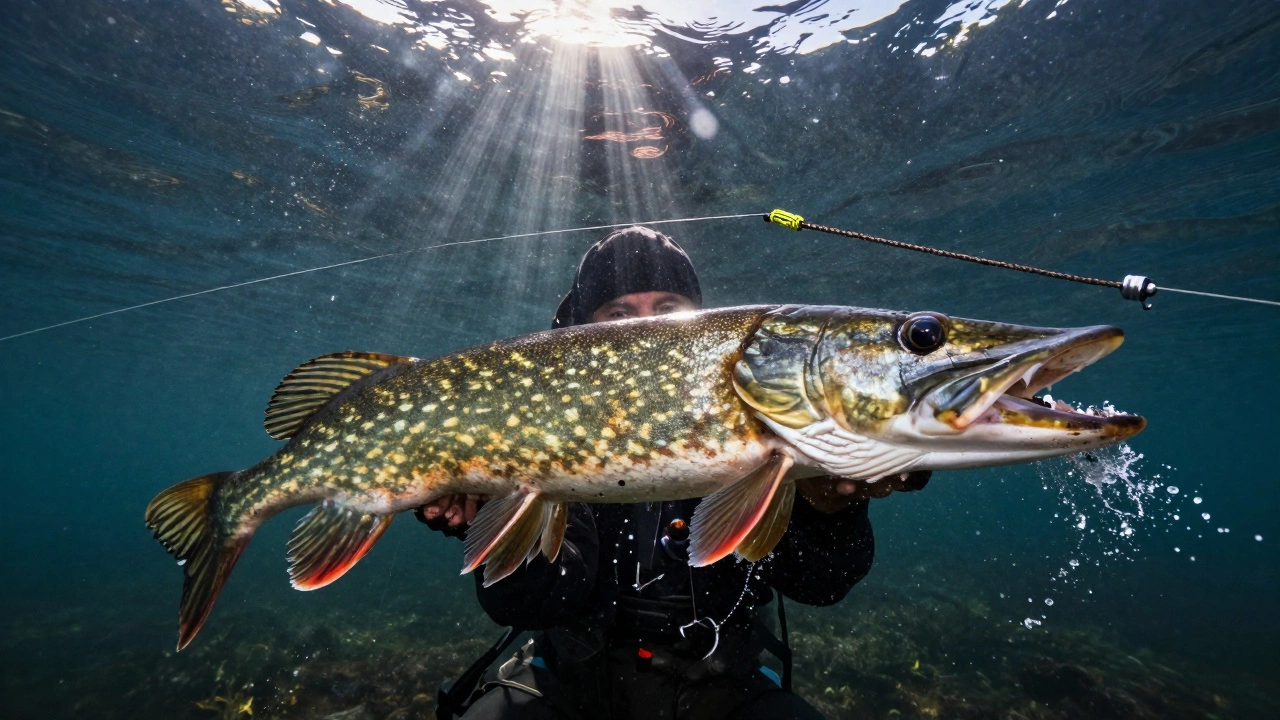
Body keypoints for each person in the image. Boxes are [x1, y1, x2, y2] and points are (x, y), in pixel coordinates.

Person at [417, 227, 928, 720]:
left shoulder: (761, 420)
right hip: (572, 682)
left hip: (724, 684)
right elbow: (532, 602)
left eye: (667, 309)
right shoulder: (546, 430)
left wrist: (831, 507)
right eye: (618, 313)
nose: (647, 327)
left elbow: (822, 584)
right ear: (583, 332)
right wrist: (481, 519)